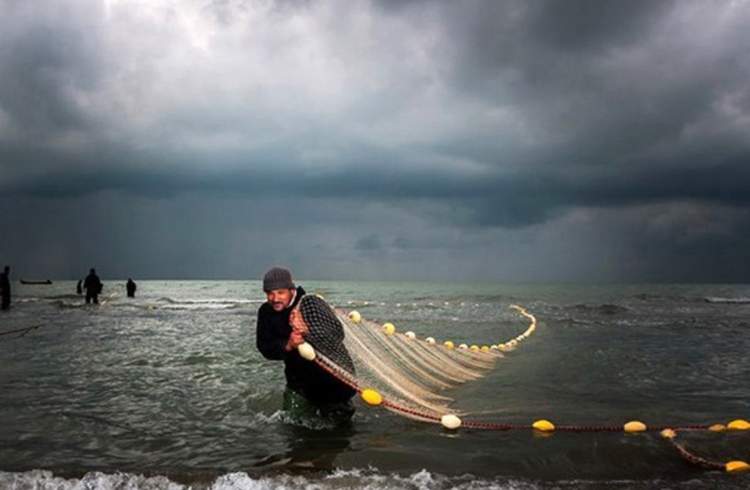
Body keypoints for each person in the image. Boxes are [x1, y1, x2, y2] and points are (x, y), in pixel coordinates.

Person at [256, 267, 356, 424]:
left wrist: (308, 331)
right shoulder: (265, 312)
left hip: (332, 379)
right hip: (298, 382)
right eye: (269, 293)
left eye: (280, 292)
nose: (274, 298)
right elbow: (264, 347)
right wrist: (288, 345)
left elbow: (338, 333)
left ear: (291, 290)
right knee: (292, 427)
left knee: (339, 432)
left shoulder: (312, 303)